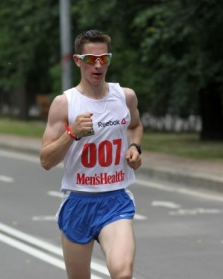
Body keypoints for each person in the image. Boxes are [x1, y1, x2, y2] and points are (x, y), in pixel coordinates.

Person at [40, 29, 143, 279]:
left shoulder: (125, 96)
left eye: (103, 58)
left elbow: (135, 125)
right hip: (78, 202)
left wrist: (135, 147)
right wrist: (72, 133)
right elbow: (46, 160)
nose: (98, 65)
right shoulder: (64, 103)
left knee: (123, 273)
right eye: (90, 59)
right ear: (78, 60)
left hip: (115, 201)